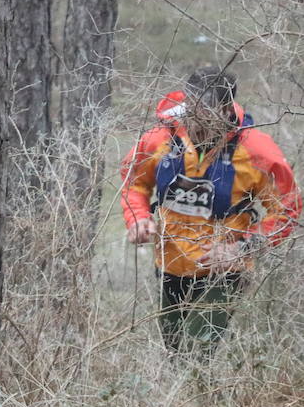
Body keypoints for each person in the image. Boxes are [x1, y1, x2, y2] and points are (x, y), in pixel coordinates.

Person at [120, 67, 299, 352]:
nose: (194, 123)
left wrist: (243, 249)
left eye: (204, 114)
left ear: (226, 110)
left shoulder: (258, 151)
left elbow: (288, 209)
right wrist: (138, 218)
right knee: (175, 351)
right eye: (189, 111)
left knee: (197, 353)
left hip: (224, 270)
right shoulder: (159, 138)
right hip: (170, 263)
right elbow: (134, 185)